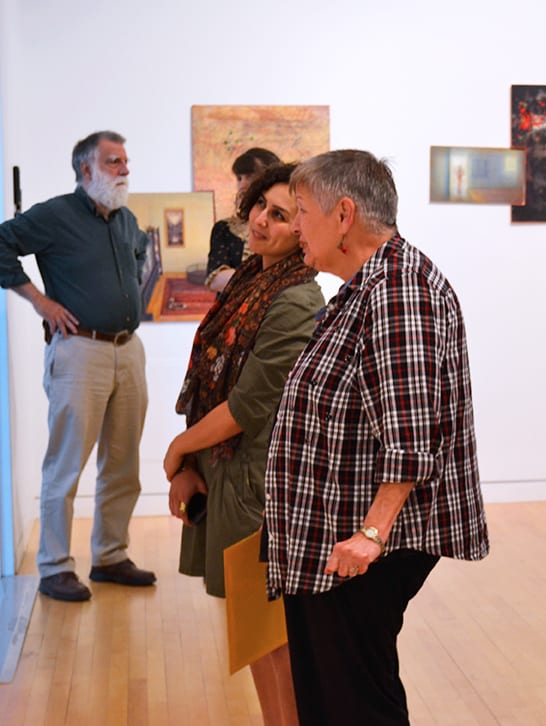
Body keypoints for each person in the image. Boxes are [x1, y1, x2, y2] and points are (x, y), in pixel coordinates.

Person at [265, 150, 489, 725]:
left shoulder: (398, 289)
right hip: (339, 537)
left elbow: (410, 432)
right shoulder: (368, 285)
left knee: (356, 701)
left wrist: (371, 533)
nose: (294, 227)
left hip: (362, 545)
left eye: (301, 212)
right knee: (334, 696)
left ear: (343, 215)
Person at [164, 163, 322, 726]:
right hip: (232, 474)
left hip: (259, 485)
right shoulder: (254, 282)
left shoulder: (297, 300)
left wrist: (179, 447)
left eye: (280, 215)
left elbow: (249, 405)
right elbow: (214, 380)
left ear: (304, 229)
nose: (260, 220)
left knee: (275, 643)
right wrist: (189, 459)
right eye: (260, 205)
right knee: (257, 638)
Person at [0, 130, 155, 602]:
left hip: (128, 349)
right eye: (113, 162)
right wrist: (41, 302)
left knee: (123, 464)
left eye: (125, 161)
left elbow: (138, 263)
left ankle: (110, 555)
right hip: (79, 351)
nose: (124, 169)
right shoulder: (55, 215)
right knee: (65, 466)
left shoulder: (125, 220)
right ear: (85, 169)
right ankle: (53, 567)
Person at [205, 147, 282, 292]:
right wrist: (265, 284)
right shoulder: (225, 228)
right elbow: (215, 278)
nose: (243, 184)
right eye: (239, 178)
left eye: (250, 176)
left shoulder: (288, 227)